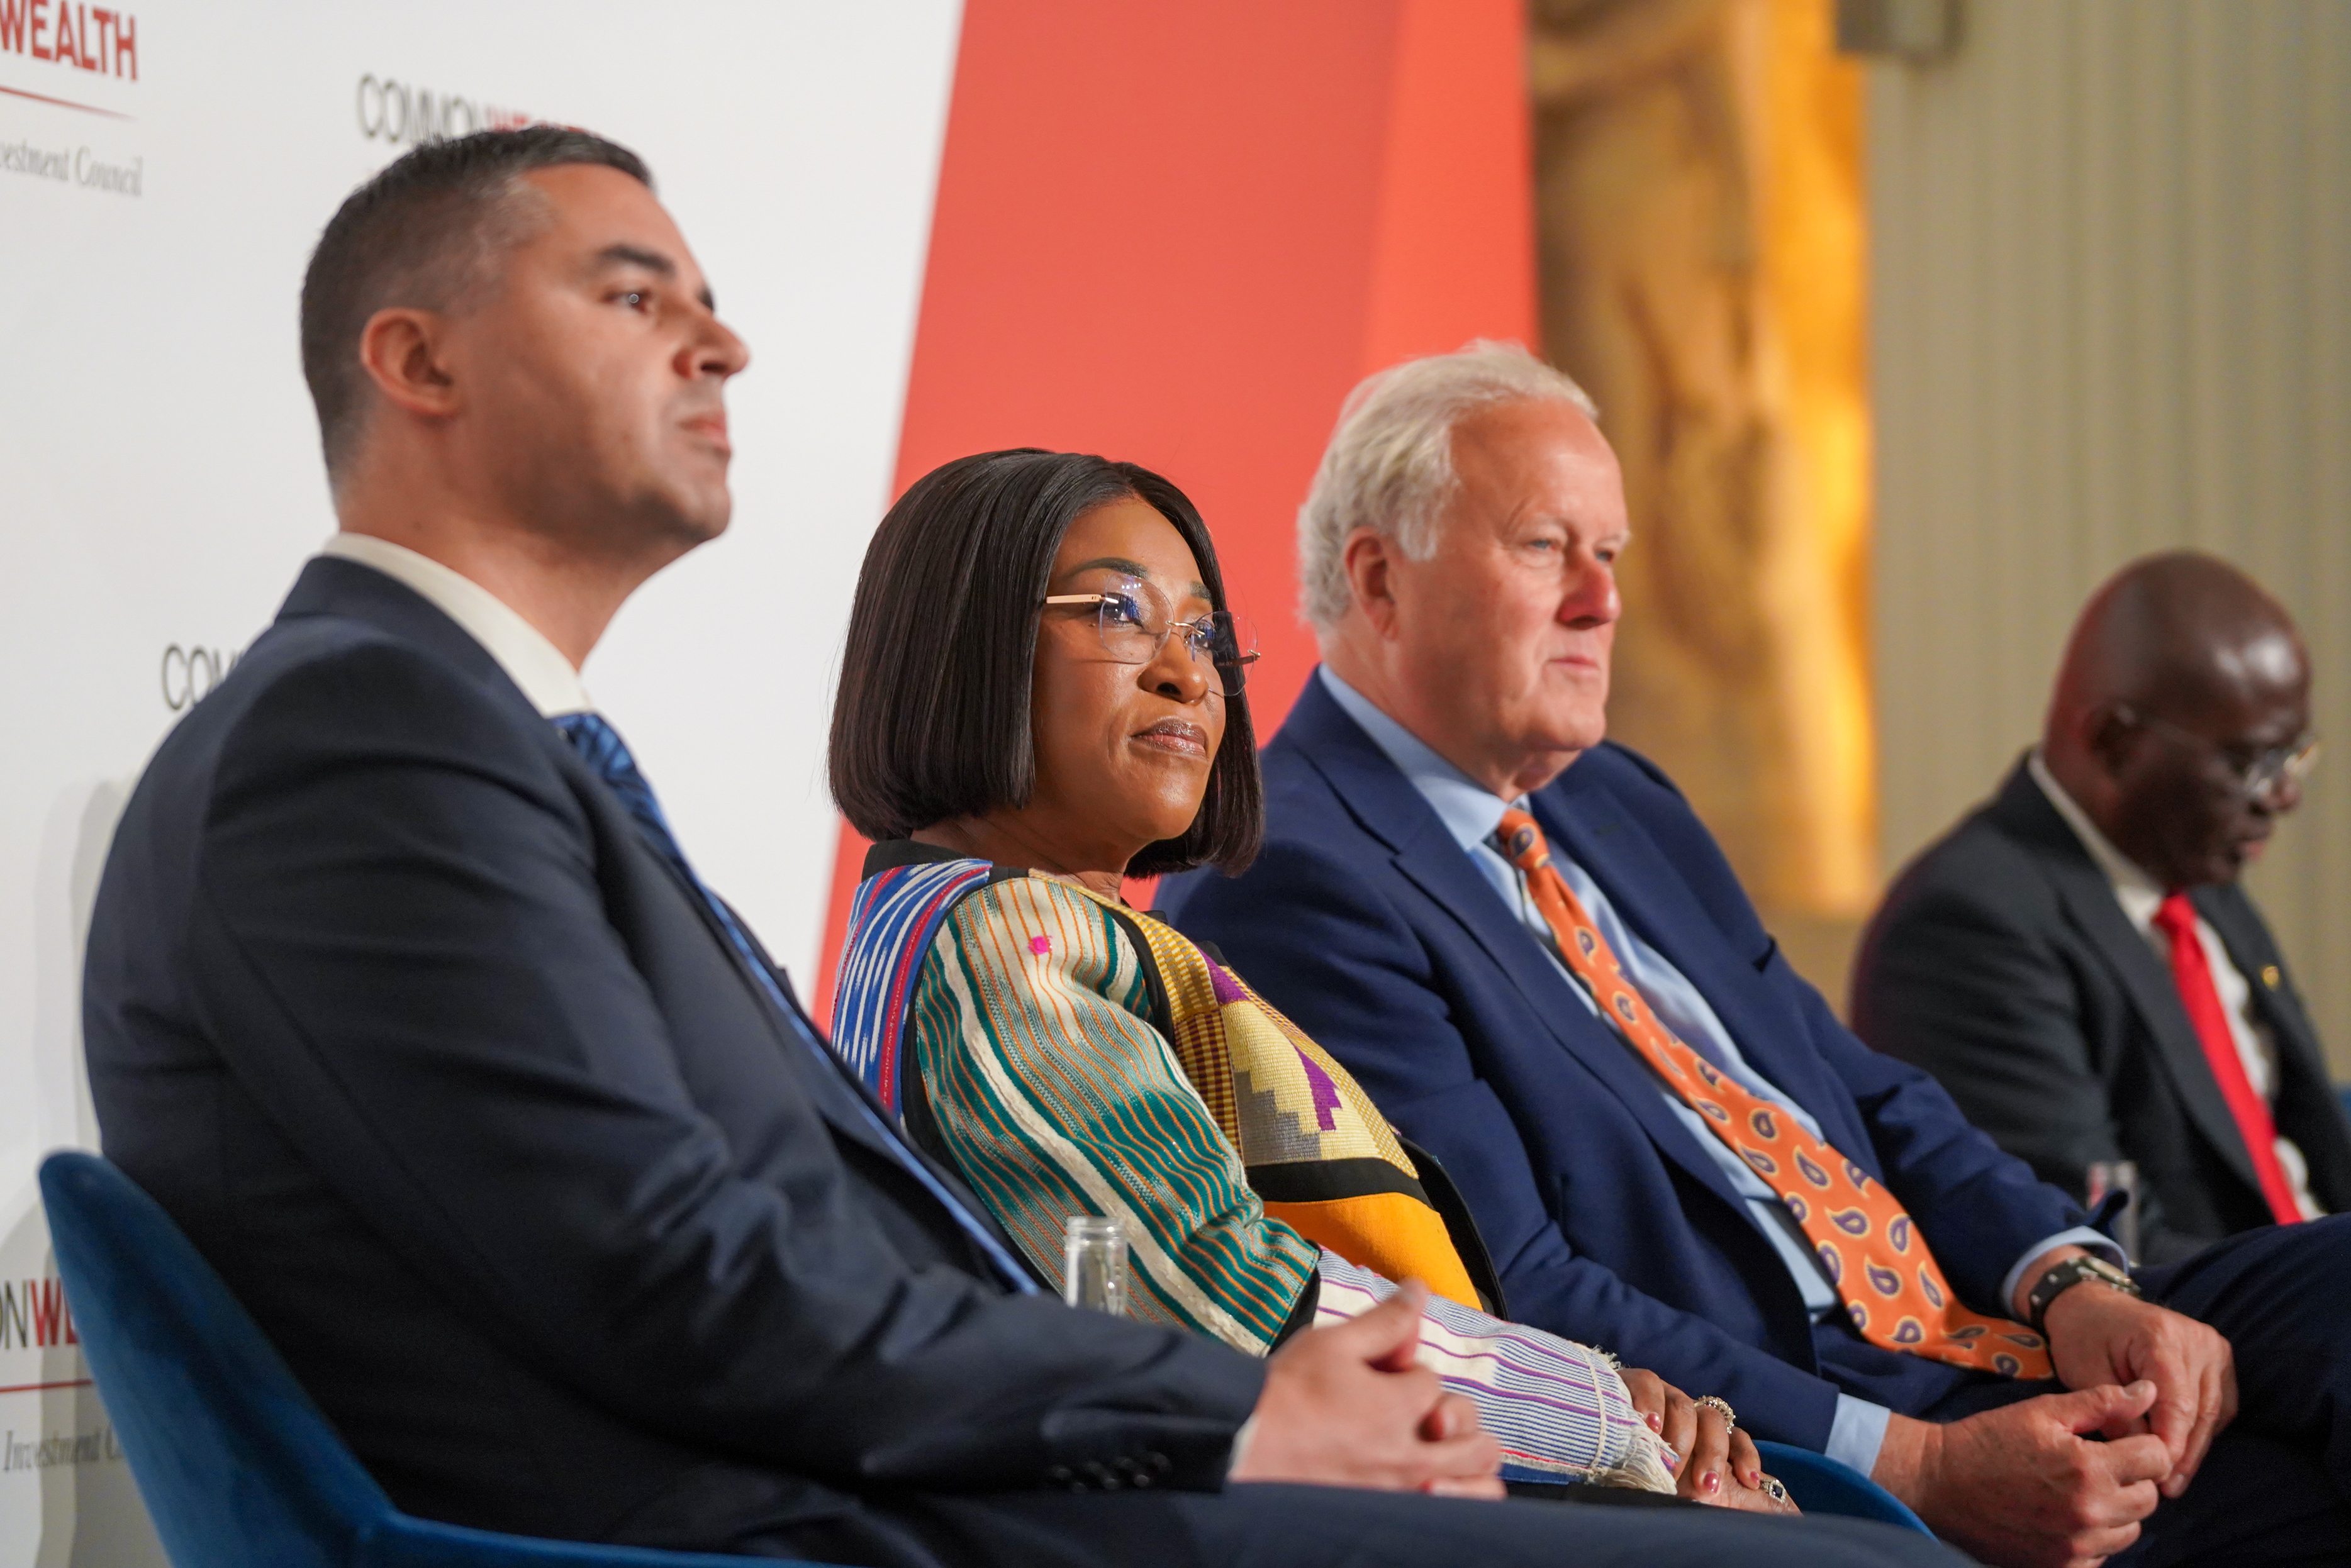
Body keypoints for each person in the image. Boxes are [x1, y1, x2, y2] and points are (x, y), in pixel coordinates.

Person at [77, 131, 1949, 1568]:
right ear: (417, 361)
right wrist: (1246, 1414)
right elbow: (679, 1281)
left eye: (1204, 629)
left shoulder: (469, 743)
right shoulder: (360, 740)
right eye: (635, 298)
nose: (723, 341)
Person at [1163, 341, 2351, 1566]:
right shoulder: (1287, 870)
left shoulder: (1615, 795)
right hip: (1802, 1424)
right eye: (1544, 547)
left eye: (1609, 552)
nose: (1601, 599)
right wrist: (1923, 1468)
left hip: (1987, 1320)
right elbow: (1516, 1292)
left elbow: (1862, 1091)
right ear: (1378, 580)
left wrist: (2069, 1280)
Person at [821, 446, 1794, 1510]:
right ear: (963, 645)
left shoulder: (1023, 924)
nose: (1188, 674)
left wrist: (1617, 1408)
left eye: (1204, 633)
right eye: (1117, 613)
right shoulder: (1000, 942)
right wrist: (1615, 1425)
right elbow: (1230, 1298)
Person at [1853, 553, 2351, 1265]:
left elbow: (2304, 1140)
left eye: (2293, 756)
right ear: (2116, 743)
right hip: (2227, 1318)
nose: (2284, 797)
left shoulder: (2195, 868)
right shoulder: (1966, 925)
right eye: (2251, 764)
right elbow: (2096, 1244)